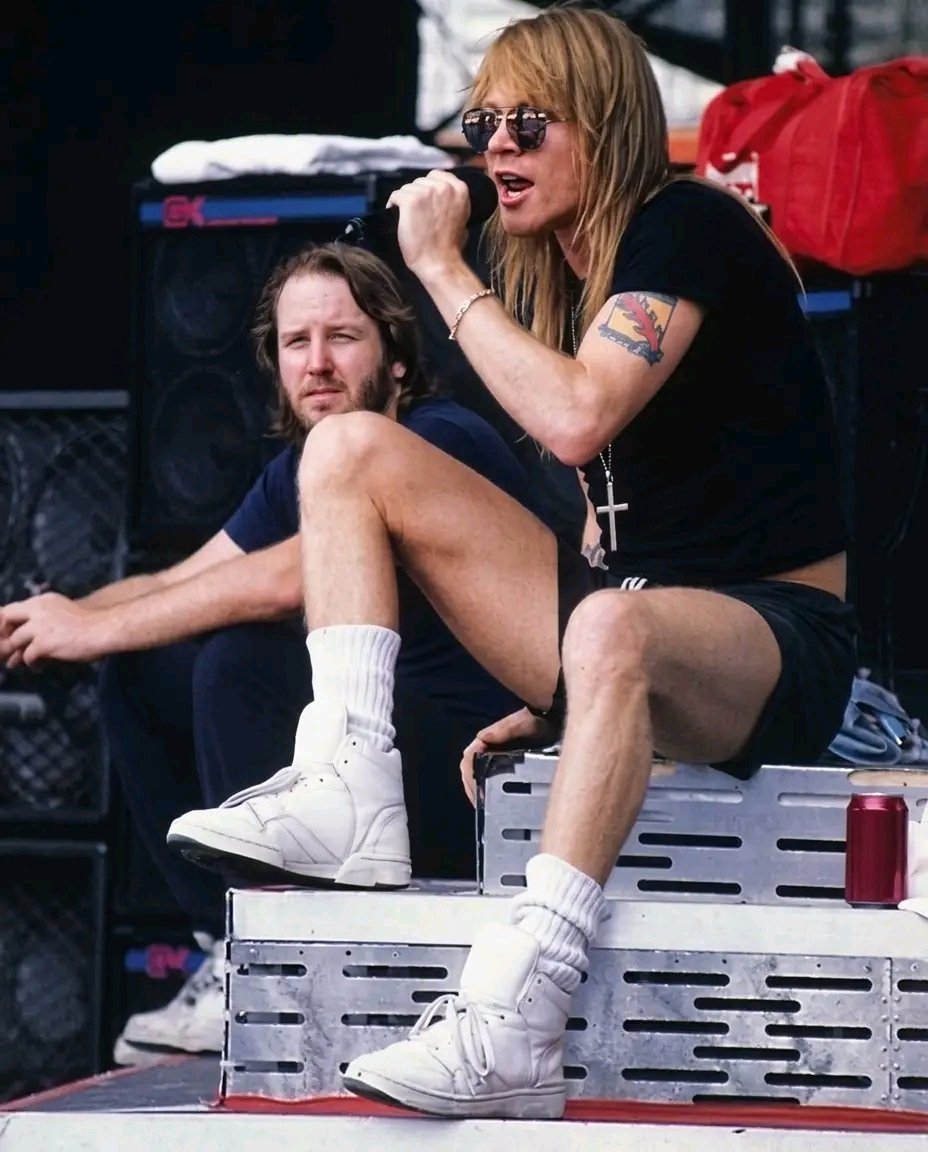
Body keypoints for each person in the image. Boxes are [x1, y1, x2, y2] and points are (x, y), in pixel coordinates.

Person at [168, 4, 856, 1118]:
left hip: (775, 641)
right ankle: (347, 785)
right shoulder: (567, 271)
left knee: (609, 624)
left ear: (603, 125)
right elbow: (605, 525)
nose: (496, 148)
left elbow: (581, 418)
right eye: (483, 122)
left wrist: (441, 269)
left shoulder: (685, 224)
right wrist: (564, 701)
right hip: (631, 624)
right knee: (345, 449)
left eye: (527, 124)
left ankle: (514, 1017)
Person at [0, 242, 551, 1067]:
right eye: (297, 342)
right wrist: (62, 616)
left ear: (398, 358)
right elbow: (189, 578)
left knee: (239, 661)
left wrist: (92, 629)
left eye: (343, 337)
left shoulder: (438, 437)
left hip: (481, 778)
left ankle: (272, 953)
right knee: (143, 673)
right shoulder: (299, 467)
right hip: (380, 773)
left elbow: (279, 582)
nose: (317, 362)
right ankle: (227, 946)